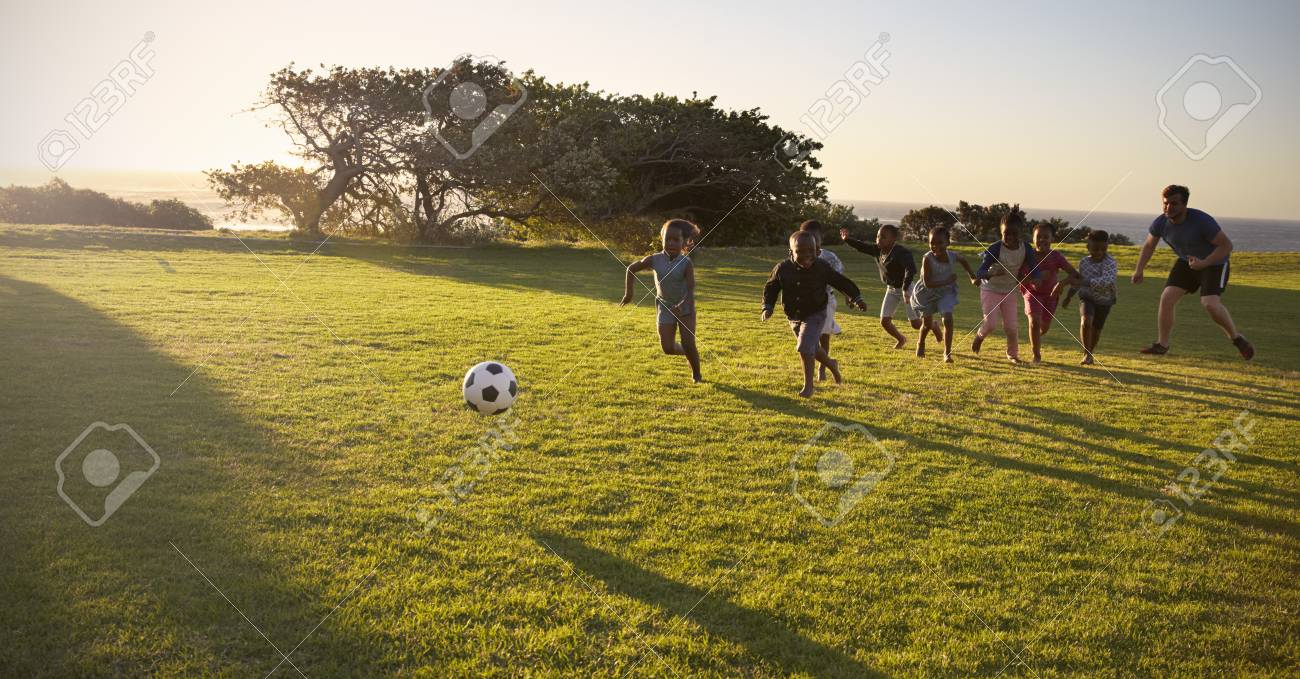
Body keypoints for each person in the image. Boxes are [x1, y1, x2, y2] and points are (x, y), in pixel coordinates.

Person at [1132, 185, 1254, 359]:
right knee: (1167, 298)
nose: (1168, 208)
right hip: (1186, 261)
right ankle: (1162, 345)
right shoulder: (1160, 222)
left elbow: (1226, 246)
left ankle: (1237, 338)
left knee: (1210, 304)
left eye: (1174, 203)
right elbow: (1149, 245)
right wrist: (1139, 270)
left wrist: (1204, 263)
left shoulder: (1202, 221)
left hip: (1215, 263)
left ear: (1184, 205)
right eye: (1165, 203)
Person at [763, 231, 868, 398]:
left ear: (818, 251)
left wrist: (856, 297)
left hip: (816, 313)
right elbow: (772, 287)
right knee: (812, 347)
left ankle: (809, 387)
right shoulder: (782, 269)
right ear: (791, 252)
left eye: (811, 251)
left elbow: (840, 282)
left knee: (805, 347)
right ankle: (832, 364)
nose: (806, 256)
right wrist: (767, 307)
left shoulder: (822, 267)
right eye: (800, 252)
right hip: (794, 315)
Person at [621, 219, 703, 382]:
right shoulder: (654, 259)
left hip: (685, 307)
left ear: (684, 242)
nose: (671, 243)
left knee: (688, 342)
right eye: (668, 239)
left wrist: (682, 305)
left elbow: (691, 289)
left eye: (676, 240)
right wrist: (629, 293)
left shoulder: (686, 263)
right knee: (668, 348)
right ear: (662, 239)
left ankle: (696, 374)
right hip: (664, 306)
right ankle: (688, 352)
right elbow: (631, 269)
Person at [839, 224, 938, 349]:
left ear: (893, 240)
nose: (879, 239)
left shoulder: (901, 252)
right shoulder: (877, 250)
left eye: (883, 237)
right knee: (884, 321)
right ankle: (901, 339)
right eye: (878, 236)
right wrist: (847, 239)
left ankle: (933, 325)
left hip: (907, 289)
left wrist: (905, 288)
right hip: (891, 290)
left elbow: (911, 269)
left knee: (915, 324)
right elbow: (862, 247)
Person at [972, 208, 1040, 362]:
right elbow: (980, 272)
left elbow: (1035, 268)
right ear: (1001, 232)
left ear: (1021, 233)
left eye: (1014, 233)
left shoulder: (1026, 249)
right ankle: (980, 336)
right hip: (990, 289)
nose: (1009, 237)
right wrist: (991, 273)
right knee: (991, 324)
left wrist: (1036, 278)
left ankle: (1013, 355)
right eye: (1005, 234)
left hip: (1010, 291)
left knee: (1011, 327)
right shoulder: (995, 248)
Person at [909, 226, 976, 362]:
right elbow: (927, 283)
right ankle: (921, 342)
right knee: (927, 324)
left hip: (945, 292)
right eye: (932, 243)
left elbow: (963, 260)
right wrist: (947, 280)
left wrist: (972, 277)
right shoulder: (927, 259)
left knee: (948, 318)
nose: (935, 246)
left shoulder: (952, 256)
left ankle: (947, 352)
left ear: (947, 243)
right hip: (927, 293)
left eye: (940, 243)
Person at [1020, 223, 1080, 363]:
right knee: (1034, 322)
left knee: (1044, 327)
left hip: (1051, 295)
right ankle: (1036, 355)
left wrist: (1062, 283)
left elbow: (1076, 275)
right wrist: (1036, 277)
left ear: (1052, 238)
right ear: (1033, 239)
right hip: (1032, 293)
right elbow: (1018, 278)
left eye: (1046, 237)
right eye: (1038, 237)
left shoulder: (1056, 257)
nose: (1042, 240)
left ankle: (1036, 338)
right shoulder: (1027, 256)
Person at [798, 221, 844, 381]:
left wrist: (849, 296)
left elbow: (840, 280)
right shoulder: (796, 256)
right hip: (805, 302)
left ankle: (822, 368)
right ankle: (830, 363)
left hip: (825, 301)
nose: (810, 243)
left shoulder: (829, 258)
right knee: (807, 340)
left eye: (814, 239)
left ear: (820, 240)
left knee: (823, 337)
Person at [1077, 230, 1118, 365]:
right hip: (1087, 297)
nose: (1099, 252)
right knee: (1086, 322)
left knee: (1096, 329)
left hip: (1105, 300)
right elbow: (1079, 280)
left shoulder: (1110, 262)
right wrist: (1069, 295)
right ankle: (1086, 355)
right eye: (1095, 249)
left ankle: (1090, 352)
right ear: (1088, 246)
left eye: (1103, 248)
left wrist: (1087, 283)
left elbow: (1107, 281)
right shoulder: (1083, 262)